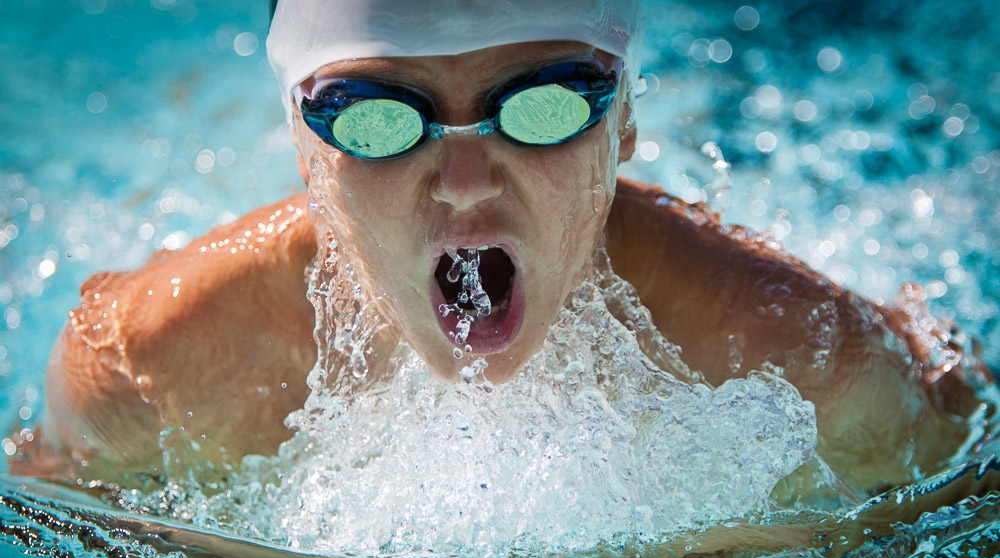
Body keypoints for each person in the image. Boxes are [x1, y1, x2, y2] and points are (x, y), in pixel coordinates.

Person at [9, 0, 996, 503]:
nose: (468, 180)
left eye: (544, 105)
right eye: (376, 119)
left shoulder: (800, 363)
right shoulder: (155, 363)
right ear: (304, 148)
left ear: (624, 127)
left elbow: (963, 465)